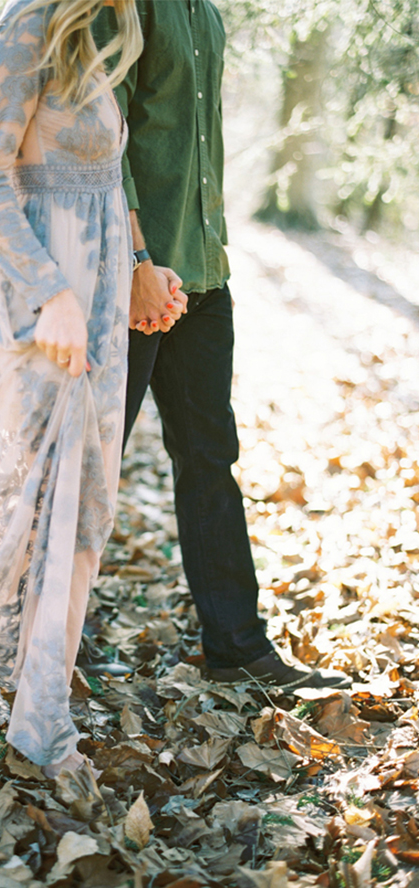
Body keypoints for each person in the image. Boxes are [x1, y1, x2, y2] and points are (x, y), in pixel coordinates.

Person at [0, 0, 167, 776]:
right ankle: (32, 711)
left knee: (86, 503)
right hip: (43, 303)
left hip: (104, 298)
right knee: (35, 492)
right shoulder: (28, 24)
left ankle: (31, 684)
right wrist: (53, 291)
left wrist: (143, 269)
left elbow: (108, 181)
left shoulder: (108, 33)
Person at [94, 0, 350, 691]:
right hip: (135, 280)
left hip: (203, 279)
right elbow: (101, 142)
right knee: (88, 467)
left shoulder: (206, 14)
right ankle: (38, 638)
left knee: (210, 458)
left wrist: (208, 258)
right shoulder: (125, 6)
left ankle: (236, 647)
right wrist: (137, 265)